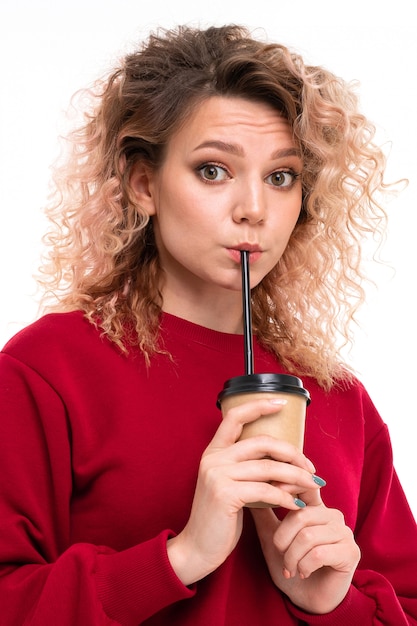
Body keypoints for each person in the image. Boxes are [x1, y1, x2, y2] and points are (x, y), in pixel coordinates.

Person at [0, 24, 416, 626]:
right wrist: (182, 557)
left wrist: (330, 602)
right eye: (213, 170)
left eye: (281, 177)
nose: (253, 208)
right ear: (144, 184)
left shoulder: (339, 399)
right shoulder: (47, 371)